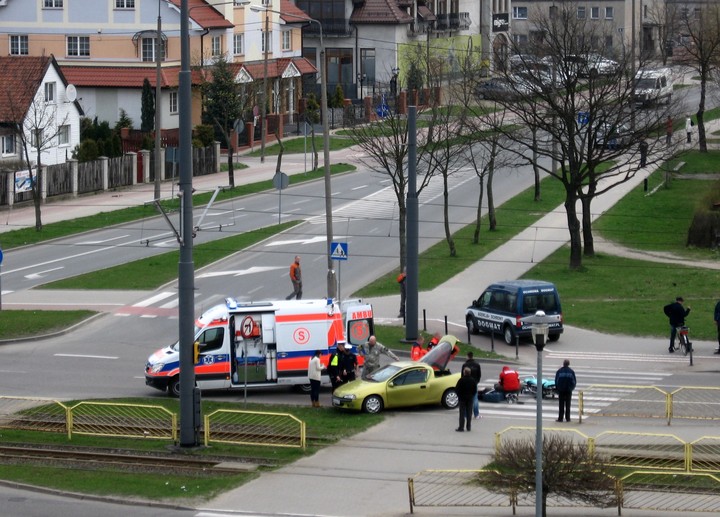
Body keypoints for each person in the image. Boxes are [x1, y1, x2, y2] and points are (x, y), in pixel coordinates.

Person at [455, 367, 477, 432]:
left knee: (462, 413)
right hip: (470, 398)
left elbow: (457, 389)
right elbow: (474, 390)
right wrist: (471, 395)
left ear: (464, 372)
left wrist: (459, 395)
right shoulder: (473, 380)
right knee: (469, 413)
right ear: (470, 373)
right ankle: (468, 427)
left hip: (462, 399)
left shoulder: (461, 380)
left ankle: (461, 427)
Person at [462, 351, 482, 419]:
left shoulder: (465, 365)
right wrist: (477, 382)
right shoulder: (477, 365)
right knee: (475, 399)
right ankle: (476, 414)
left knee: (466, 399)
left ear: (467, 356)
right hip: (474, 383)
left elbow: (462, 375)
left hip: (466, 384)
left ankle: (465, 415)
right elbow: (479, 375)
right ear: (472, 356)